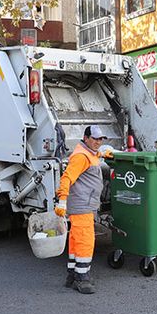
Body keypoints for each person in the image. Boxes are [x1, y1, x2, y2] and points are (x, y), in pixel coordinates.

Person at [55, 125, 113, 294]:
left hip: (85, 204)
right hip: (82, 205)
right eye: (94, 139)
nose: (98, 142)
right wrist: (62, 201)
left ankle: (72, 275)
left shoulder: (89, 153)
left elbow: (94, 156)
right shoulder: (81, 156)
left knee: (75, 239)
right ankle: (82, 279)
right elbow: (66, 178)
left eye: (100, 139)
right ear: (86, 138)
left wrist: (104, 154)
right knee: (85, 241)